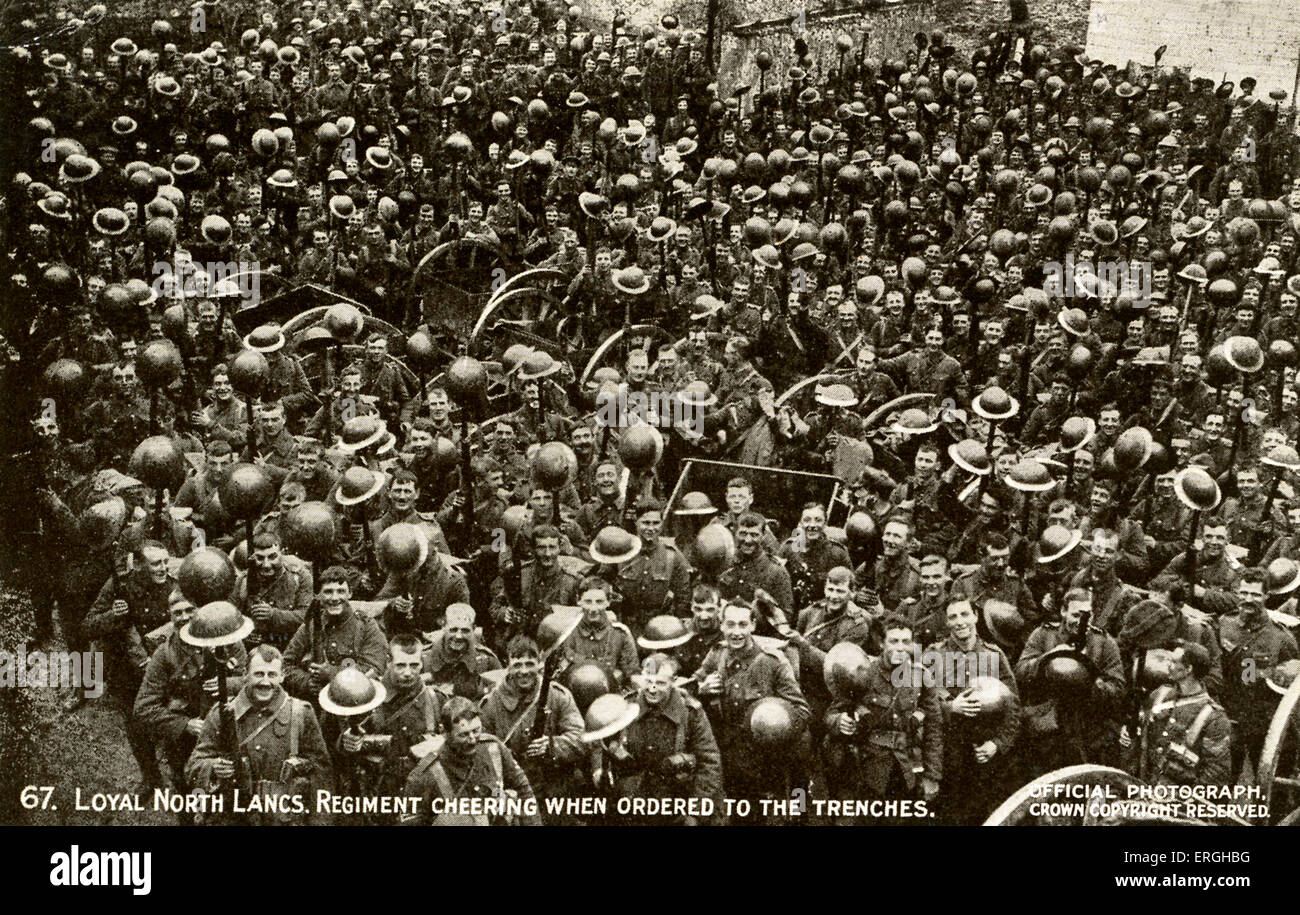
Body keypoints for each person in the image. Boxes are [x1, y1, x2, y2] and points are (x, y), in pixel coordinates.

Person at [185, 645, 334, 825]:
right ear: (245, 675)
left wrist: (320, 822)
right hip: (235, 817)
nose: (265, 682)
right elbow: (193, 765)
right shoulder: (222, 714)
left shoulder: (301, 713)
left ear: (282, 676)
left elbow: (321, 774)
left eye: (272, 675)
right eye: (258, 674)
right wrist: (213, 767)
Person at [693, 599, 810, 821]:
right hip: (732, 758)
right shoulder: (717, 654)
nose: (736, 632)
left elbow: (802, 710)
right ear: (721, 626)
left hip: (768, 759)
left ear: (753, 626)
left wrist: (775, 723)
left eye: (742, 624)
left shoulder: (773, 661)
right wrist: (702, 688)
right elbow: (691, 690)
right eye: (730, 624)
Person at [824, 616, 943, 822]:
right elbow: (831, 714)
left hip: (907, 769)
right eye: (893, 641)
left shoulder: (921, 676)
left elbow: (933, 728)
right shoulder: (862, 671)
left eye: (906, 642)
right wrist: (839, 721)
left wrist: (932, 775)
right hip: (866, 768)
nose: (900, 648)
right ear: (881, 643)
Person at [478, 635, 586, 817]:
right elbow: (481, 751)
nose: (524, 671)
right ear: (507, 664)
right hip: (513, 790)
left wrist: (553, 745)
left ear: (539, 663)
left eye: (529, 664)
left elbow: (580, 737)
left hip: (553, 785)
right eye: (517, 665)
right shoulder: (491, 704)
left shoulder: (557, 695)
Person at [617, 653, 724, 824]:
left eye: (660, 683)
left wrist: (694, 812)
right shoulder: (625, 706)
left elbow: (710, 763)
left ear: (673, 682)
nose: (652, 689)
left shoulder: (690, 712)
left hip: (678, 799)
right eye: (648, 682)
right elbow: (602, 743)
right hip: (636, 799)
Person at [402, 696, 542, 825]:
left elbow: (524, 791)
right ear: (446, 733)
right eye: (463, 735)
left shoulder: (494, 748)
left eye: (476, 731)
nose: (472, 740)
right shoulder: (425, 774)